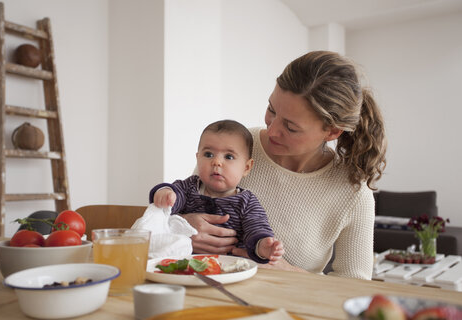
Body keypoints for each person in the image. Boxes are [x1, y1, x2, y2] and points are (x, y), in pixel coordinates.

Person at [182, 51, 387, 280]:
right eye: (272, 110)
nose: (271, 130)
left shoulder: (353, 190)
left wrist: (292, 274)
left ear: (332, 131)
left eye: (290, 127)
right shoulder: (236, 148)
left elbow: (355, 288)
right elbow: (184, 204)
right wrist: (181, 225)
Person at [150, 119, 284, 264]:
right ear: (197, 158)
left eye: (229, 157)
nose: (217, 162)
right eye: (208, 154)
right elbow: (171, 200)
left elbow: (256, 228)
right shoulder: (189, 187)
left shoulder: (246, 201)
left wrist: (263, 246)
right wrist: (165, 192)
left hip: (228, 268)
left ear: (246, 168)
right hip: (185, 264)